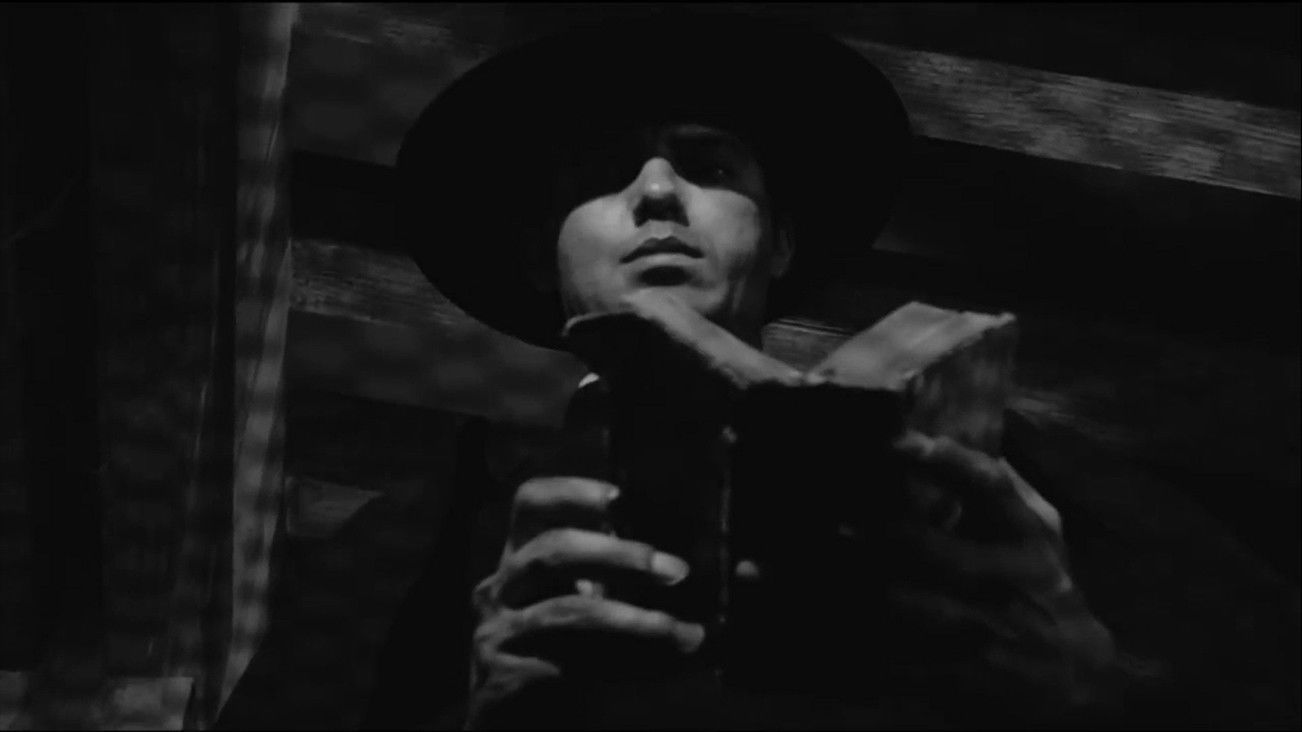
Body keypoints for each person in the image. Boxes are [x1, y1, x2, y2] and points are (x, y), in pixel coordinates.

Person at [363, 9, 1297, 730]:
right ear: (542, 258)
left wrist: (1094, 689)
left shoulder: (1011, 472)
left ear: (779, 243)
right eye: (602, 174)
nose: (655, 192)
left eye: (709, 168)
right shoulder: (423, 530)